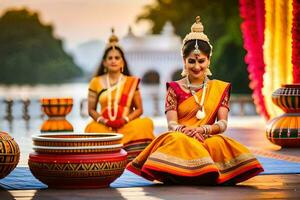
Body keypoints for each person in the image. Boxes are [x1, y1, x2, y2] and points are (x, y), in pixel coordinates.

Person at [127, 17, 264, 185]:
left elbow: (222, 124)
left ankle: (198, 171)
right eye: (191, 61)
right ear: (184, 61)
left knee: (218, 143)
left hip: (206, 137)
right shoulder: (174, 88)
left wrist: (204, 130)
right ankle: (194, 171)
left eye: (201, 61)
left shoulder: (219, 88)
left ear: (208, 61)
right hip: (182, 136)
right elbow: (171, 124)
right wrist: (185, 130)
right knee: (176, 140)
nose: (197, 66)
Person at [85, 29, 155, 162]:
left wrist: (125, 120)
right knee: (91, 128)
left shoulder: (131, 81)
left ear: (122, 62)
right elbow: (91, 110)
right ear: (104, 62)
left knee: (145, 124)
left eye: (117, 58)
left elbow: (139, 109)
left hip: (127, 125)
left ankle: (135, 160)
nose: (113, 61)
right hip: (105, 126)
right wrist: (104, 121)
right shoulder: (96, 82)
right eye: (110, 58)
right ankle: (104, 160)